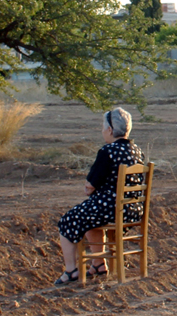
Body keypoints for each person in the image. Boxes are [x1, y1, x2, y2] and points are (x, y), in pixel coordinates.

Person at [54, 107, 146, 286]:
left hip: (111, 209)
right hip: (133, 210)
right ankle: (98, 264)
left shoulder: (108, 151)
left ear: (110, 130)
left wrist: (92, 190)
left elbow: (90, 186)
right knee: (89, 219)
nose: (103, 130)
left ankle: (71, 270)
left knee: (68, 220)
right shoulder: (137, 151)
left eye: (103, 127)